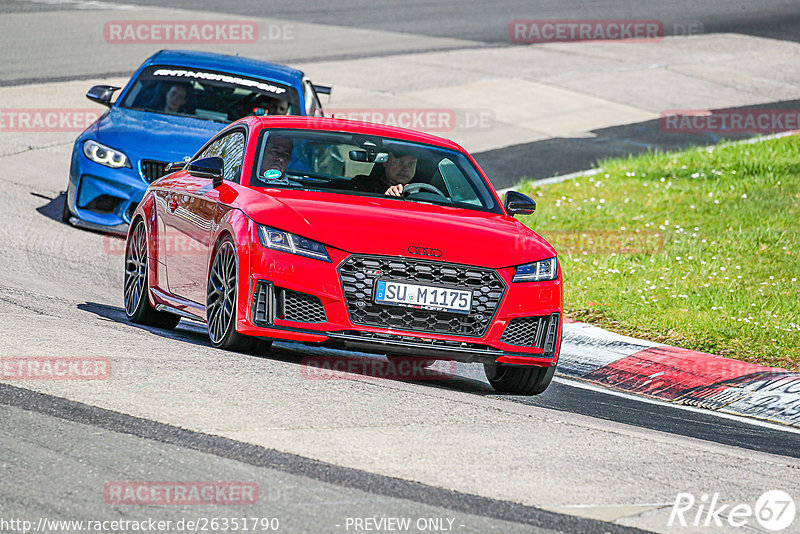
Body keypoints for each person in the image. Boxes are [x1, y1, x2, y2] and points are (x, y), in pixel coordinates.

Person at [349, 149, 418, 196]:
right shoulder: (363, 184)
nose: (406, 169)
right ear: (386, 162)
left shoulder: (421, 195)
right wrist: (385, 198)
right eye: (399, 162)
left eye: (411, 164)